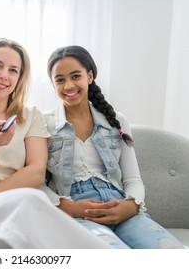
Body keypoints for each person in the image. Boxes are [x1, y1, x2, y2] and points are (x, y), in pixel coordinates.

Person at [0, 38, 112, 249]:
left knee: (31, 204)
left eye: (13, 70)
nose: (4, 75)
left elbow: (36, 172)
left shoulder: (31, 116)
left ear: (19, 78)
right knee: (31, 204)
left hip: (19, 203)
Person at [41, 45, 185, 249]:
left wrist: (132, 205)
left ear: (89, 76)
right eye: (60, 79)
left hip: (120, 206)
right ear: (52, 84)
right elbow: (36, 182)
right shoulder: (43, 124)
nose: (69, 86)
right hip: (76, 212)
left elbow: (133, 179)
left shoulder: (117, 120)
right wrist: (67, 207)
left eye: (75, 76)